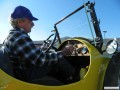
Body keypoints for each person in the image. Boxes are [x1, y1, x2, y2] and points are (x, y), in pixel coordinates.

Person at [1, 5, 76, 84]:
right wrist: (64, 52)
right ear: (20, 22)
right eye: (30, 21)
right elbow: (40, 59)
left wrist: (40, 49)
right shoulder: (20, 38)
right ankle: (76, 80)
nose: (33, 24)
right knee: (59, 59)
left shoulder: (13, 35)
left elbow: (31, 55)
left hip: (22, 71)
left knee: (52, 55)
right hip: (26, 75)